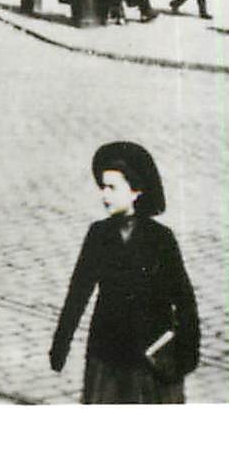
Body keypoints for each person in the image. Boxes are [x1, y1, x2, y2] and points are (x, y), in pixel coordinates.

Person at [50, 141, 201, 404]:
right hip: (107, 355)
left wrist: (187, 355)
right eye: (102, 187)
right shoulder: (99, 234)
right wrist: (60, 345)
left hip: (149, 358)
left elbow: (184, 299)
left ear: (136, 191)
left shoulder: (161, 239)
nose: (105, 195)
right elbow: (78, 293)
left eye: (112, 187)